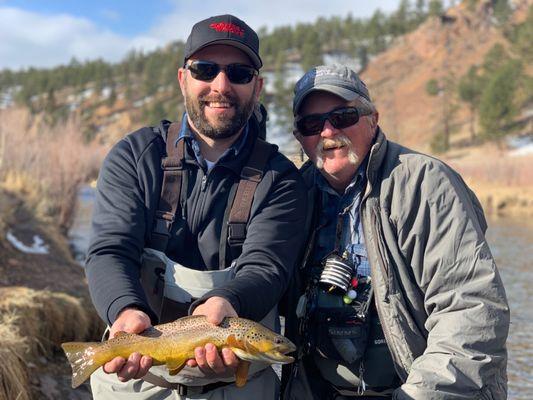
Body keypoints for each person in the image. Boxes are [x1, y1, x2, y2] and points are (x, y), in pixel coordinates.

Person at [85, 14, 307, 400]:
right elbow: (110, 250)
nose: (221, 85)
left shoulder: (281, 178)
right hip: (136, 382)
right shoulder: (135, 156)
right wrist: (124, 309)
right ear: (182, 78)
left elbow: (267, 266)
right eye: (205, 69)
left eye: (238, 73)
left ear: (258, 86)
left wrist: (227, 302)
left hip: (238, 386)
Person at [282, 64, 510, 400]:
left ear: (373, 118)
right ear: (300, 137)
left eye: (343, 116)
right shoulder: (294, 193)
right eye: (311, 124)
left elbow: (471, 310)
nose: (328, 132)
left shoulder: (425, 183)